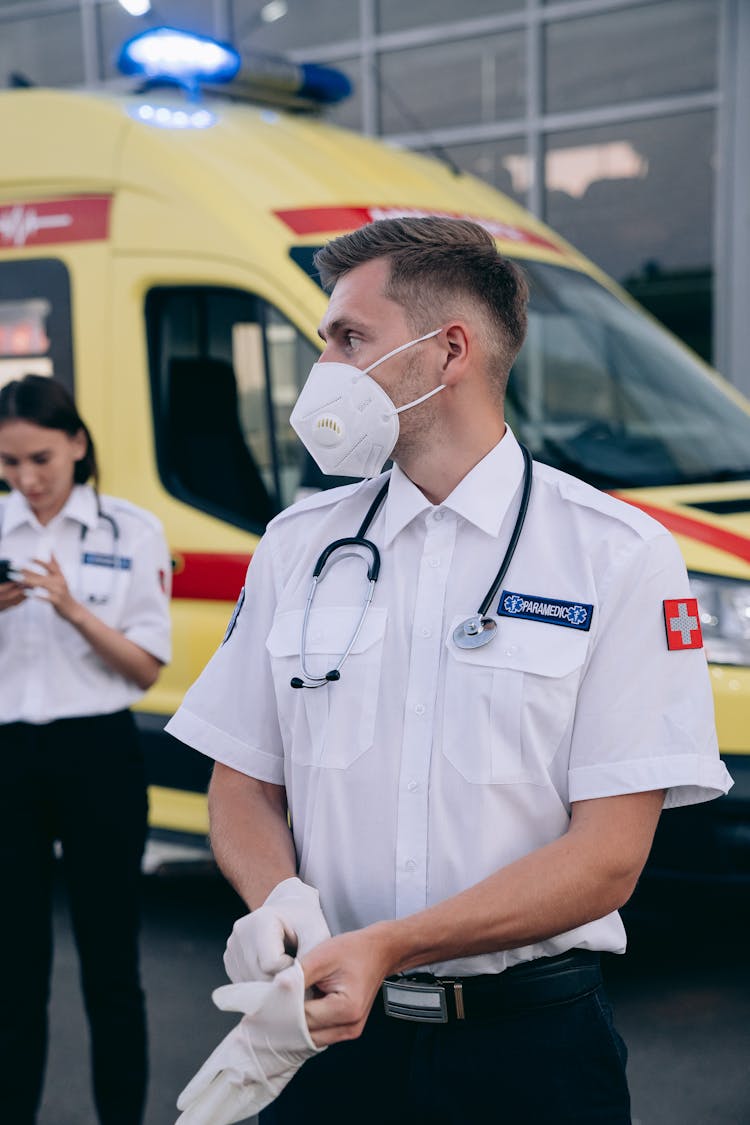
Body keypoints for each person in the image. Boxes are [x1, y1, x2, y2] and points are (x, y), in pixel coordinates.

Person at [166, 217, 732, 1124]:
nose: (325, 369)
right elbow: (241, 780)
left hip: (531, 1057)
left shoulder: (616, 555)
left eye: (350, 338)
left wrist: (387, 945)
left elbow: (607, 860)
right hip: (326, 1047)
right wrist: (275, 898)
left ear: (450, 350)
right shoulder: (297, 547)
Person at [0, 374, 172, 1125]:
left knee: (112, 969)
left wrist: (71, 609)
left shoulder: (128, 530)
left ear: (77, 443)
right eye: (8, 463)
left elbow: (145, 667)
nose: (26, 479)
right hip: (7, 759)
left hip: (99, 753)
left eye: (40, 457)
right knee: (12, 973)